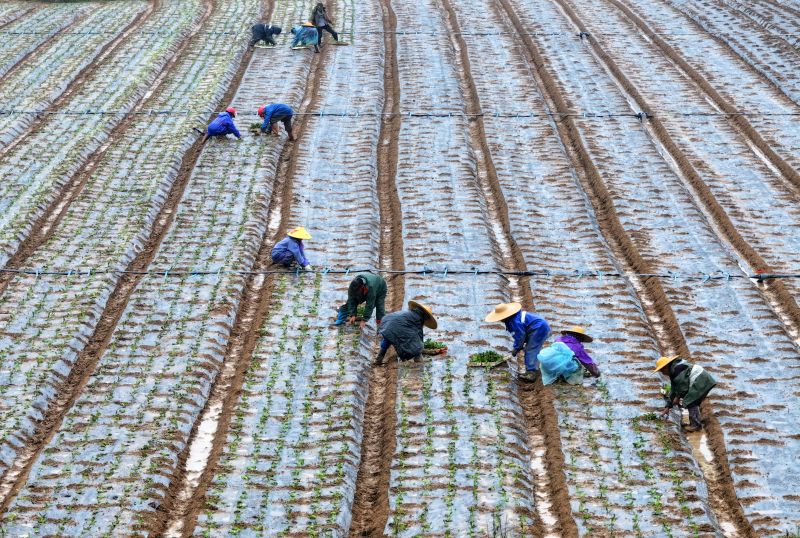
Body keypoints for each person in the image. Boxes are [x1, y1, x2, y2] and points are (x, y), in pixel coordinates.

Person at [485, 302, 550, 382]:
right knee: (531, 348)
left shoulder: (514, 322)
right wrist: (519, 346)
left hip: (539, 328)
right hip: (538, 327)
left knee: (530, 349)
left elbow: (520, 336)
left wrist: (517, 347)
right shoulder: (513, 319)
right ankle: (533, 368)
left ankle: (531, 372)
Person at [655, 355, 717, 432]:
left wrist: (677, 398)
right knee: (691, 401)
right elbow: (673, 389)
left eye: (662, 371)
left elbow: (683, 389)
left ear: (666, 367)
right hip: (701, 379)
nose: (663, 373)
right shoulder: (674, 370)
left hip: (701, 380)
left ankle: (696, 425)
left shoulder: (677, 371)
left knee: (689, 401)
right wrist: (668, 406)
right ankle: (691, 420)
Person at [375, 301, 437, 365]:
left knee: (388, 338)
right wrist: (421, 348)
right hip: (396, 325)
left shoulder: (410, 313)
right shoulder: (418, 318)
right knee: (416, 343)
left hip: (386, 322)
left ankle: (378, 359)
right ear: (425, 315)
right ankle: (418, 359)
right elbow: (418, 335)